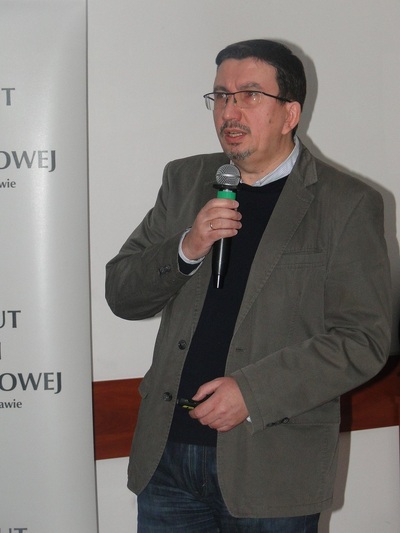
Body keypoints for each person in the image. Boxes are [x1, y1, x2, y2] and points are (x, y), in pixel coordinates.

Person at [106, 39, 392, 532]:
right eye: (221, 95)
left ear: (290, 114)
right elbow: (122, 294)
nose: (229, 111)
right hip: (168, 460)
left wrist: (252, 393)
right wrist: (187, 247)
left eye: (250, 95)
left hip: (272, 467)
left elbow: (362, 339)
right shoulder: (184, 180)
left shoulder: (346, 203)